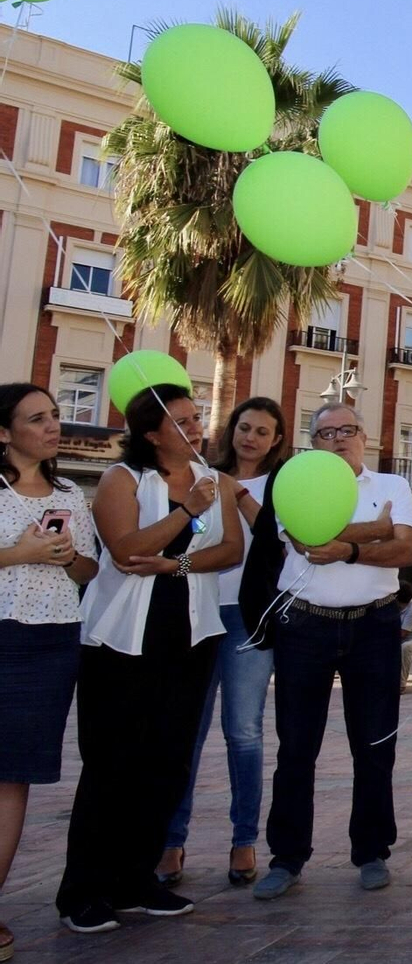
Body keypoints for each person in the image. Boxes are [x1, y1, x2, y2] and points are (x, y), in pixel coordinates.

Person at [58, 384, 242, 933]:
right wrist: (187, 511)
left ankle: (136, 880)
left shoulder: (214, 481)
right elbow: (128, 550)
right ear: (150, 433)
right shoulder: (124, 479)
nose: (195, 428)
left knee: (167, 762)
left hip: (191, 633)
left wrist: (179, 567)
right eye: (182, 421)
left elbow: (230, 550)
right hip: (122, 640)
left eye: (196, 418)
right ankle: (83, 892)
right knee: (112, 764)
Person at [253, 403, 412, 901]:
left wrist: (347, 545)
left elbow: (407, 549)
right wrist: (375, 531)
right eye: (326, 432)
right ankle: (286, 857)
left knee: (374, 745)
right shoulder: (296, 482)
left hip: (374, 624)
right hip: (305, 625)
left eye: (348, 429)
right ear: (312, 442)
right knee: (297, 747)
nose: (338, 438)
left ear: (365, 437)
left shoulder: (392, 486)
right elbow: (307, 541)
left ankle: (371, 852)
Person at [158, 396, 287, 889]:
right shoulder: (196, 476)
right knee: (186, 730)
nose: (249, 437)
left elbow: (278, 540)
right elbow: (187, 533)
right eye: (244, 427)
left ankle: (244, 840)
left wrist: (238, 495)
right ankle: (171, 841)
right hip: (195, 610)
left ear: (276, 440)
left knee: (244, 732)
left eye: (261, 431)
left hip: (248, 620)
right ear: (232, 429)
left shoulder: (280, 484)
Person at [0, 385, 98, 954]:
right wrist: (22, 552)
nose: (54, 425)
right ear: (5, 432)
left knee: (13, 777)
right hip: (2, 633)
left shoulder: (68, 493)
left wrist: (67, 557)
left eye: (56, 415)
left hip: (53, 642)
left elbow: (87, 570)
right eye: (37, 418)